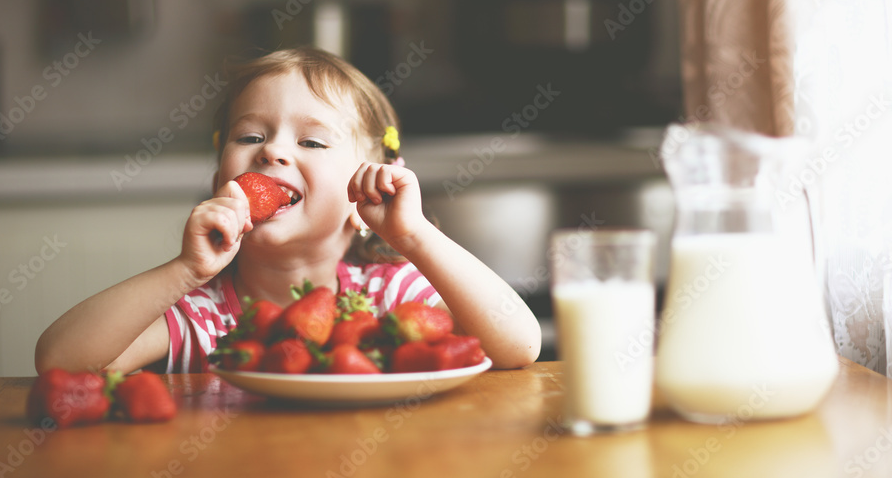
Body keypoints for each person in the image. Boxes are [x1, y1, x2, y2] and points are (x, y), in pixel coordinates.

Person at [35, 47, 541, 374]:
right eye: (251, 136)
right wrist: (184, 271)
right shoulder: (202, 315)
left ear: (364, 195)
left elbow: (519, 346)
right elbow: (60, 361)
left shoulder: (389, 295)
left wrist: (415, 238)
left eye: (312, 142)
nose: (273, 152)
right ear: (218, 183)